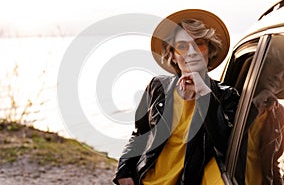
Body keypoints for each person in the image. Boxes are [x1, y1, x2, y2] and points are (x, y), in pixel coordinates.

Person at [113, 9, 240, 185]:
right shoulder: (157, 87)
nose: (192, 52)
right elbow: (140, 133)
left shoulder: (226, 95)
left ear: (210, 50)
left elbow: (225, 145)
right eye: (182, 46)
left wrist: (203, 93)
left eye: (199, 43)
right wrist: (124, 170)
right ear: (172, 54)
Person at [244, 39, 284, 185]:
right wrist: (254, 107)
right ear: (263, 63)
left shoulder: (279, 113)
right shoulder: (232, 98)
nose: (278, 77)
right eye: (276, 66)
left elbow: (273, 164)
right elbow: (222, 141)